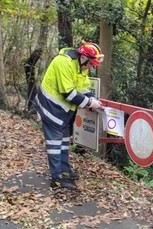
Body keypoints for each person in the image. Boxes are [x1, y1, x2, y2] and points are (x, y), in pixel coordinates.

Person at [33, 42, 105, 189]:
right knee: (54, 143)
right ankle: (57, 178)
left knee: (65, 140)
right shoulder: (63, 62)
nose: (90, 67)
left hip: (62, 111)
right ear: (83, 57)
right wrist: (90, 103)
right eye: (90, 64)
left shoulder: (80, 66)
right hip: (50, 107)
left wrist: (92, 101)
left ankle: (65, 171)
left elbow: (83, 87)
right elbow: (69, 93)